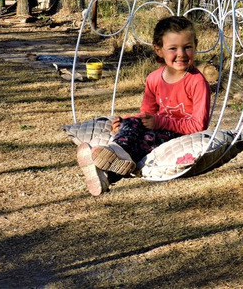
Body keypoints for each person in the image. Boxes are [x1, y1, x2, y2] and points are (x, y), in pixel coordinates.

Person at [77, 15, 211, 196]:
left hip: (178, 132)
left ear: (195, 45)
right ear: (158, 50)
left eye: (187, 47)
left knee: (147, 140)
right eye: (173, 48)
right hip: (158, 127)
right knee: (132, 125)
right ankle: (108, 164)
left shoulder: (197, 82)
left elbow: (198, 125)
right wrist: (125, 124)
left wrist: (158, 123)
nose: (181, 54)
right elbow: (147, 114)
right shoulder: (154, 79)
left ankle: (108, 167)